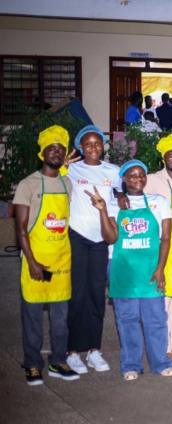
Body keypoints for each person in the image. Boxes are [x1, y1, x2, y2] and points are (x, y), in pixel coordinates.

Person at [92, 160, 172, 380]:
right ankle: (131, 364)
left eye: (141, 174)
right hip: (122, 268)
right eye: (132, 175)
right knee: (127, 319)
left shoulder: (159, 202)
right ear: (124, 179)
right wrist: (103, 211)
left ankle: (161, 363)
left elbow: (166, 238)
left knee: (156, 318)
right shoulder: (113, 204)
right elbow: (110, 238)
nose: (138, 178)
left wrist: (160, 268)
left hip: (151, 268)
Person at [121, 134, 172, 365]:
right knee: (160, 302)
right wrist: (119, 195)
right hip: (159, 250)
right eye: (170, 154)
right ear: (163, 158)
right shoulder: (152, 180)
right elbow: (130, 190)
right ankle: (162, 349)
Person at [14, 125, 79, 385]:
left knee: (61, 317)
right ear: (42, 152)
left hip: (61, 259)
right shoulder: (28, 184)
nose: (56, 152)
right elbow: (21, 229)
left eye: (61, 149)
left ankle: (58, 361)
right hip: (36, 259)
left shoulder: (66, 182)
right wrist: (32, 261)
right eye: (51, 148)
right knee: (32, 316)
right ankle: (32, 363)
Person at [63, 125, 120, 375]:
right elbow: (49, 179)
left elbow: (123, 193)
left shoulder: (113, 171)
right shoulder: (71, 168)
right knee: (77, 294)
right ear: (80, 146)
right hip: (76, 236)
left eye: (98, 143)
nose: (94, 147)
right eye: (88, 143)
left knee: (97, 295)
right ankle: (73, 351)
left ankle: (94, 350)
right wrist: (61, 166)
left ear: (103, 146)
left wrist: (121, 197)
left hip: (100, 240)